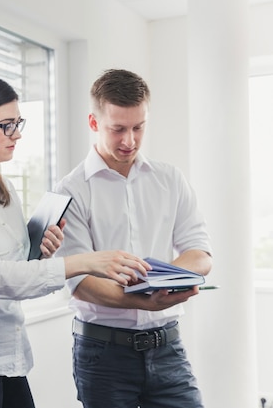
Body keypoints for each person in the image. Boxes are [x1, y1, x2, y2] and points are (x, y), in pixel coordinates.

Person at [0, 74, 152, 408]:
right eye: (6, 125)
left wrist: (38, 250)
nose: (18, 134)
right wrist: (83, 262)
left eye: (18, 122)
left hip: (6, 353)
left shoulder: (2, 187)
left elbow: (16, 271)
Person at [54, 69, 213, 408]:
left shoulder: (170, 179)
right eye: (118, 129)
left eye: (138, 128)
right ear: (94, 123)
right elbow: (79, 280)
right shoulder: (71, 190)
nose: (130, 141)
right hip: (103, 355)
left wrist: (163, 281)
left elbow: (200, 253)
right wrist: (143, 300)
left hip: (168, 348)